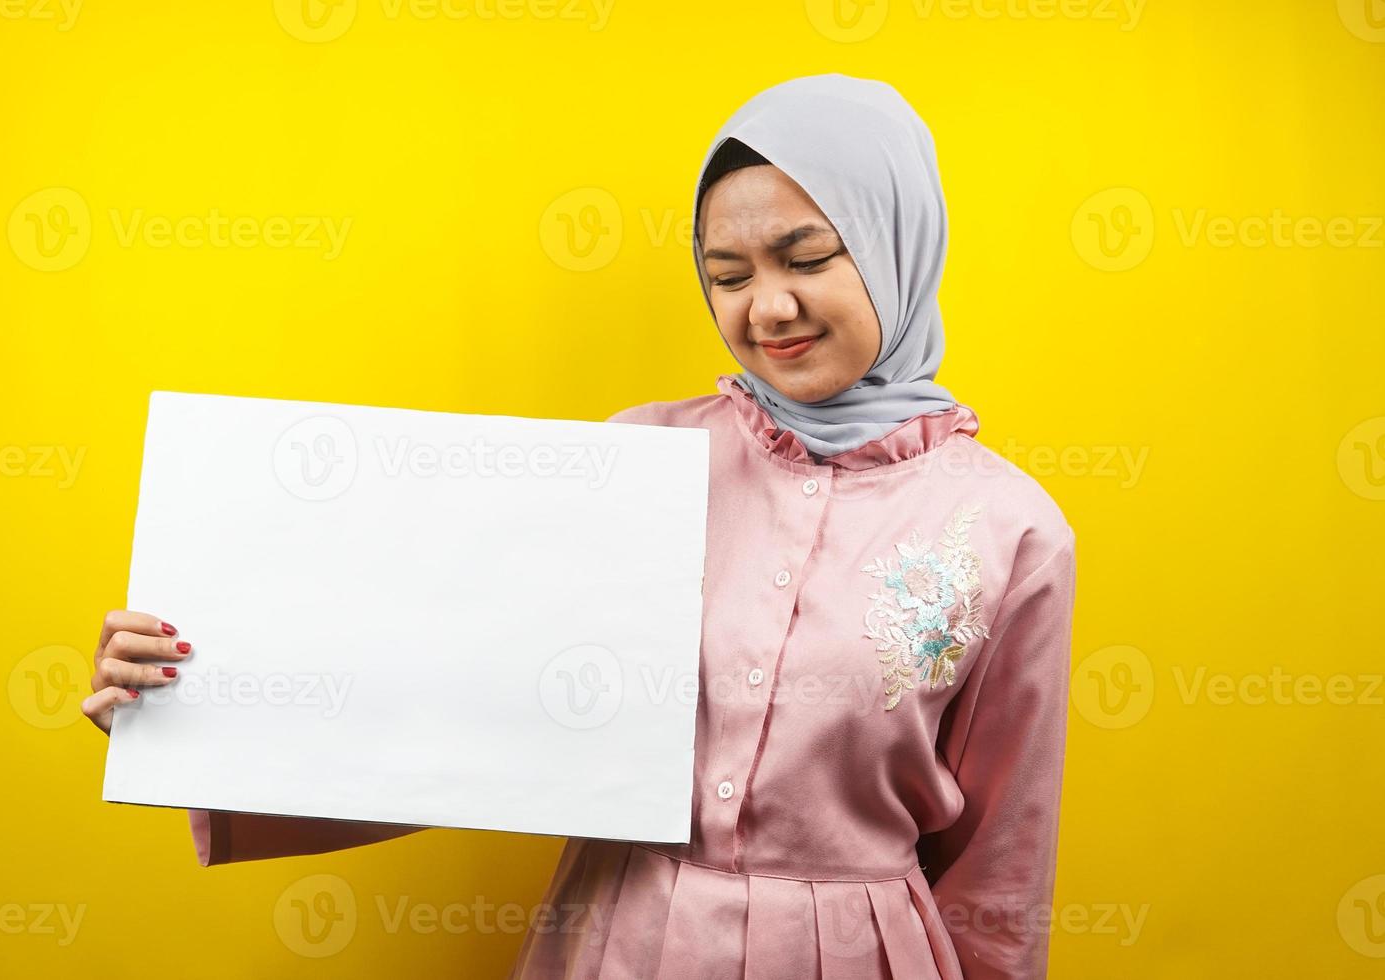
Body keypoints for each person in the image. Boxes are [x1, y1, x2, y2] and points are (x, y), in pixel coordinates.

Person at [85, 73, 1077, 979]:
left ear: (901, 239)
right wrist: (191, 702)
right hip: (624, 943)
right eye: (727, 275)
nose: (769, 307)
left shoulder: (1008, 529)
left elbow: (1001, 870)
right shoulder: (635, 464)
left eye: (808, 256)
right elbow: (455, 704)